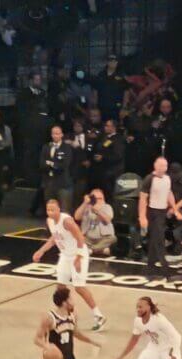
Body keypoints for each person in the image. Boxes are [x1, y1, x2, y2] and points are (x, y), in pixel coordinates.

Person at [32, 200, 107, 331]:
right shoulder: (50, 221)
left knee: (79, 287)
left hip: (79, 253)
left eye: (53, 210)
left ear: (59, 209)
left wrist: (78, 258)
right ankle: (65, 314)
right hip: (65, 255)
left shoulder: (67, 221)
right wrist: (41, 251)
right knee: (60, 287)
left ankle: (98, 315)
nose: (50, 212)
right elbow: (55, 238)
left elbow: (80, 238)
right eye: (48, 210)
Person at [138, 157, 182, 273]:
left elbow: (169, 193)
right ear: (155, 166)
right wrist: (142, 216)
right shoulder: (149, 179)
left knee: (155, 238)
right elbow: (143, 199)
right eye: (161, 166)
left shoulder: (167, 179)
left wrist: (175, 209)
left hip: (162, 211)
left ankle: (151, 264)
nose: (164, 168)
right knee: (159, 237)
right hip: (152, 211)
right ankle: (165, 266)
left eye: (165, 166)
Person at [39, 125, 73, 212]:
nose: (55, 136)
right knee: (50, 209)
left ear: (62, 135)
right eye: (53, 133)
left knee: (64, 210)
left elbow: (64, 165)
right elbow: (42, 164)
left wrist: (51, 163)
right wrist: (54, 165)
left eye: (57, 133)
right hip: (49, 182)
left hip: (62, 183)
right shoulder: (46, 147)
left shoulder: (67, 148)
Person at [74, 189, 116, 256]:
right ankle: (100, 250)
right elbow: (76, 217)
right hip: (88, 239)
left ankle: (91, 249)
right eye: (95, 199)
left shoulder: (107, 207)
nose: (98, 201)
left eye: (100, 199)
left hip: (103, 238)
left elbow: (108, 220)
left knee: (112, 238)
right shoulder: (86, 207)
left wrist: (97, 210)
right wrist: (85, 203)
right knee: (77, 237)